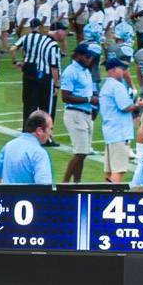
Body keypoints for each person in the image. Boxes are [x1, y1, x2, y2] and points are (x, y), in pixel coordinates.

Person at [99, 55, 143, 183]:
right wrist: (137, 105)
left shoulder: (106, 85)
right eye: (121, 68)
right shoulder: (117, 86)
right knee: (118, 170)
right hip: (120, 133)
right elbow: (125, 107)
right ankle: (112, 197)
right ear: (113, 69)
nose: (123, 71)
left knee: (109, 171)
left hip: (110, 132)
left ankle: (104, 196)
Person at [10, 21, 62, 128]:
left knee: (29, 101)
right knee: (43, 103)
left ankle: (27, 127)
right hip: (39, 70)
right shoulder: (44, 40)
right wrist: (57, 84)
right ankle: (44, 131)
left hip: (28, 68)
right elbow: (52, 64)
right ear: (40, 27)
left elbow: (13, 49)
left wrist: (16, 61)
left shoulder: (26, 37)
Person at [60, 44, 98, 183]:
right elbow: (65, 96)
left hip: (86, 113)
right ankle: (64, 184)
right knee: (80, 152)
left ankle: (76, 183)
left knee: (83, 153)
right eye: (87, 56)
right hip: (75, 113)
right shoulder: (70, 72)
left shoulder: (85, 71)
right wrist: (89, 99)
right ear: (78, 55)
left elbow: (88, 92)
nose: (89, 59)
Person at [0, 110, 54, 185]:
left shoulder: (9, 146)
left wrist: (0, 195)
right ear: (39, 130)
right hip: (28, 196)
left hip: (8, 196)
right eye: (50, 129)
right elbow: (44, 187)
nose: (51, 133)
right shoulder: (40, 154)